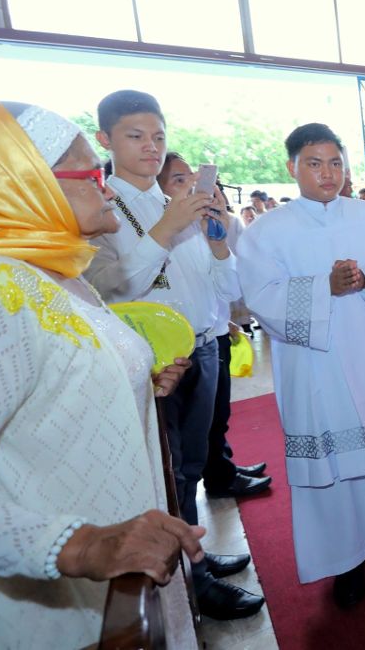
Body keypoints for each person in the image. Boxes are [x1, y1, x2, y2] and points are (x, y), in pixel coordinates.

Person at [0, 98, 202, 649]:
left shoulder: (52, 275)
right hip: (58, 604)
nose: (107, 189)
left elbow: (53, 385)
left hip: (118, 582)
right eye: (92, 173)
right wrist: (77, 547)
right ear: (24, 184)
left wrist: (133, 382)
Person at [84, 90, 263, 620]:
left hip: (202, 348)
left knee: (190, 465)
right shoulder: (104, 208)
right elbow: (113, 291)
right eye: (135, 136)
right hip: (153, 364)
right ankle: (190, 580)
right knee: (168, 475)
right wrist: (167, 227)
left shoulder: (172, 204)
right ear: (105, 140)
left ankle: (196, 559)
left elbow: (224, 284)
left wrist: (214, 241)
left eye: (158, 136)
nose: (151, 147)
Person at [237, 123, 365, 609]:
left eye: (335, 162)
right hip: (314, 367)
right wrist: (325, 287)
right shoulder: (267, 231)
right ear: (291, 167)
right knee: (332, 467)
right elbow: (260, 296)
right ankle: (345, 558)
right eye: (315, 163)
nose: (328, 173)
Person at [157, 154, 273, 501]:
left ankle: (222, 469)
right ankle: (218, 477)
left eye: (191, 179)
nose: (191, 187)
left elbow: (220, 285)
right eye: (179, 180)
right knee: (192, 437)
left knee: (217, 415)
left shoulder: (199, 226)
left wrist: (226, 322)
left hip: (213, 330)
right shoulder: (161, 231)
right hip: (180, 346)